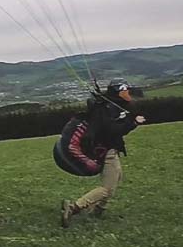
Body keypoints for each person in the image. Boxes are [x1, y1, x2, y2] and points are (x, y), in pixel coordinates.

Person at [60, 78, 146, 228]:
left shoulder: (109, 105)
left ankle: (98, 209)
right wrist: (133, 123)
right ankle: (74, 207)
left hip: (108, 149)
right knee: (107, 188)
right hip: (107, 151)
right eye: (125, 90)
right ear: (118, 92)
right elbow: (112, 131)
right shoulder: (107, 109)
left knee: (116, 179)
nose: (128, 93)